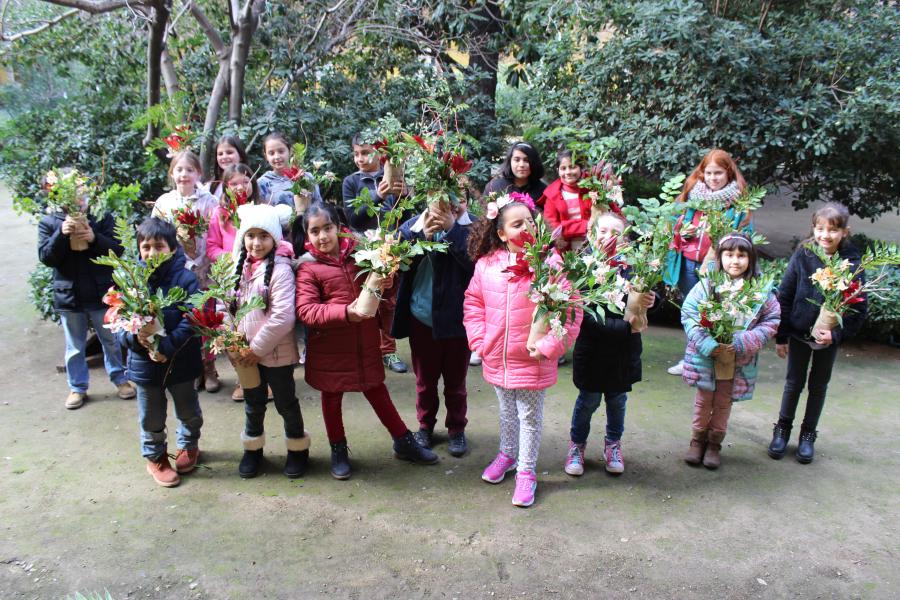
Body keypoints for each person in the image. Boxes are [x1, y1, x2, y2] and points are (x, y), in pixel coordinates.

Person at [295, 202, 438, 480]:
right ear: (307, 235)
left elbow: (382, 296)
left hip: (365, 342)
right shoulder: (308, 268)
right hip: (330, 349)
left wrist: (389, 284)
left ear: (339, 227)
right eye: (315, 231)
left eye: (327, 228)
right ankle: (338, 450)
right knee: (331, 396)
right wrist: (345, 312)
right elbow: (306, 311)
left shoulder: (364, 255)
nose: (323, 236)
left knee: (376, 389)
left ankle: (403, 441)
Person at [463, 194, 581, 507]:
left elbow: (570, 312)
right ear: (502, 233)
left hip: (532, 360)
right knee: (506, 412)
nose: (527, 227)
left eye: (530, 220)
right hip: (497, 358)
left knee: (528, 417)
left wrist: (549, 346)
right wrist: (479, 341)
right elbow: (473, 303)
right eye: (517, 224)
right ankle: (507, 454)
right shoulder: (487, 265)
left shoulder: (550, 265)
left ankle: (526, 471)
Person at [768, 204, 867, 464]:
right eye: (820, 228)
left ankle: (808, 435)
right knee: (793, 383)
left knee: (818, 386)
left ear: (845, 232)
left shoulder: (853, 263)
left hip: (827, 338)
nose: (825, 235)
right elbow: (785, 295)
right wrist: (781, 336)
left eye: (833, 230)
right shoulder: (804, 255)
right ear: (813, 228)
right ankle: (782, 429)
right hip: (799, 333)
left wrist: (835, 336)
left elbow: (859, 309)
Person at [564, 213, 655, 477]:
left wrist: (652, 300)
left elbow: (644, 303)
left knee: (617, 401)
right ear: (591, 235)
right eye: (602, 231)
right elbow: (583, 315)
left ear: (625, 240)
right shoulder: (582, 268)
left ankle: (613, 444)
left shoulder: (633, 268)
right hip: (592, 351)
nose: (608, 237)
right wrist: (625, 328)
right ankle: (577, 445)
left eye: (616, 233)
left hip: (623, 353)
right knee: (588, 401)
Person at [681, 233, 779, 469]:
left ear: (751, 259)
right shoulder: (707, 285)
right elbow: (689, 313)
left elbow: (771, 320)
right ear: (720, 257)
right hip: (706, 357)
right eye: (729, 255)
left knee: (724, 403)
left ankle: (714, 444)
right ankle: (697, 441)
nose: (735, 261)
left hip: (736, 359)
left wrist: (746, 340)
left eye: (741, 255)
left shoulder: (760, 291)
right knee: (703, 401)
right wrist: (706, 342)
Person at [117, 218, 204, 487]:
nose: (152, 252)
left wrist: (166, 347)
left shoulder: (187, 279)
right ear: (138, 250)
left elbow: (193, 319)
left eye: (159, 246)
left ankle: (188, 445)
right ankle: (155, 457)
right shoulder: (131, 282)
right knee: (151, 415)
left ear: (173, 248)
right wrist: (137, 339)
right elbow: (117, 324)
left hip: (180, 359)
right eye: (146, 247)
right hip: (144, 363)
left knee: (188, 409)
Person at [37, 175, 134, 409]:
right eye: (71, 192)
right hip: (70, 295)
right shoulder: (49, 222)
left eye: (80, 190)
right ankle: (77, 387)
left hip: (102, 293)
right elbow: (47, 257)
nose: (77, 197)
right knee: (74, 346)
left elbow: (117, 249)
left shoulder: (100, 217)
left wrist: (93, 238)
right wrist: (61, 234)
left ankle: (120, 379)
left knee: (111, 340)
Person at [229, 204, 311, 479]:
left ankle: (297, 449)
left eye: (263, 236)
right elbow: (223, 306)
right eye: (251, 235)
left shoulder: (281, 270)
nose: (256, 243)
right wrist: (229, 340)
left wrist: (256, 349)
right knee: (253, 403)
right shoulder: (237, 267)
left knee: (286, 403)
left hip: (276, 355)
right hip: (245, 355)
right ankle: (253, 450)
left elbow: (283, 317)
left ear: (274, 239)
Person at [392, 195, 474, 456]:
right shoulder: (412, 227)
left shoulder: (474, 228)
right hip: (422, 317)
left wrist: (452, 230)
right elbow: (396, 263)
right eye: (440, 199)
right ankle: (425, 426)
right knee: (425, 381)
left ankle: (456, 429)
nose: (450, 205)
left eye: (459, 199)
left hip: (458, 321)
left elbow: (475, 264)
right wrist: (420, 239)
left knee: (456, 382)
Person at [665, 149, 749, 377]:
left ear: (728, 173)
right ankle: (690, 359)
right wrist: (682, 230)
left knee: (712, 313)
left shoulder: (737, 204)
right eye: (709, 173)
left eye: (718, 173)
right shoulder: (692, 196)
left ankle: (709, 359)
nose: (713, 178)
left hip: (715, 268)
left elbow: (744, 239)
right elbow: (671, 224)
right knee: (691, 313)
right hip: (688, 264)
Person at [341, 133, 409, 374]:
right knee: (364, 299)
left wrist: (405, 195)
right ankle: (365, 350)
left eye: (366, 153)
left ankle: (388, 351)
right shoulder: (351, 182)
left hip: (391, 247)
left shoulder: (395, 175)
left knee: (389, 302)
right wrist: (377, 195)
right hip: (363, 250)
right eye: (356, 154)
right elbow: (353, 218)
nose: (360, 158)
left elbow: (406, 217)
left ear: (380, 154)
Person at [152, 150, 219, 391]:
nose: (184, 174)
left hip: (205, 269)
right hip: (176, 272)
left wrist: (199, 260)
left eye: (190, 170)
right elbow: (156, 237)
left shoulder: (209, 201)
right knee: (184, 319)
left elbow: (215, 234)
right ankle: (192, 368)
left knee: (206, 320)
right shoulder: (164, 203)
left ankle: (209, 368)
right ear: (172, 173)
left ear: (198, 173)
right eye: (179, 170)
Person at [539, 149, 591, 251]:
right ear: (558, 170)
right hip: (565, 250)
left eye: (572, 167)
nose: (568, 172)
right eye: (563, 168)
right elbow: (552, 226)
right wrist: (585, 225)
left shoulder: (593, 187)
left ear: (581, 168)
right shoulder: (552, 194)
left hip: (595, 244)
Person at [257, 132, 323, 209]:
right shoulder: (261, 184)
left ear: (290, 151)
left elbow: (320, 207)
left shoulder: (306, 177)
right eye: (271, 153)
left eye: (281, 151)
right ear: (266, 156)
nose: (277, 156)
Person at [482, 141, 547, 205]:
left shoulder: (544, 192)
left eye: (527, 160)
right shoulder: (494, 187)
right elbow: (484, 209)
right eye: (517, 160)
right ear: (510, 162)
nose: (521, 165)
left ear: (535, 163)